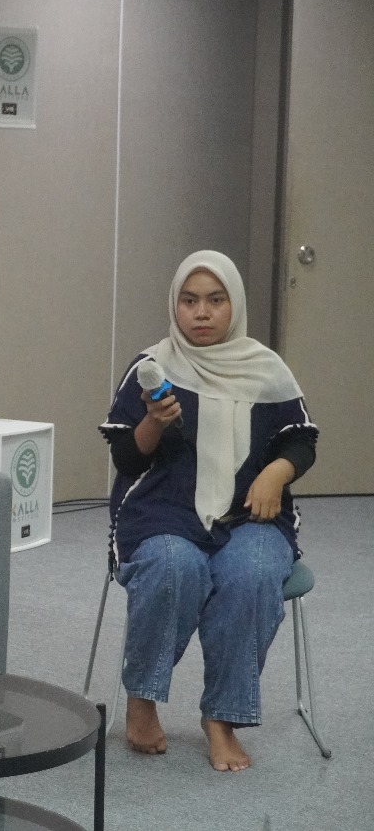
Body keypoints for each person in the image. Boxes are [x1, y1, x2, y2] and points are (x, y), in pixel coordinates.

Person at [100, 251, 317, 772]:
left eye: (215, 300)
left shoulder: (266, 369)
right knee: (174, 567)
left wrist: (276, 473)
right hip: (162, 510)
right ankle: (142, 698)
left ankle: (222, 718)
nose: (201, 312)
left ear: (234, 304)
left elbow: (301, 440)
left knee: (253, 573)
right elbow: (126, 458)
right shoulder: (152, 367)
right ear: (174, 306)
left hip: (250, 515)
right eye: (189, 300)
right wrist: (153, 422)